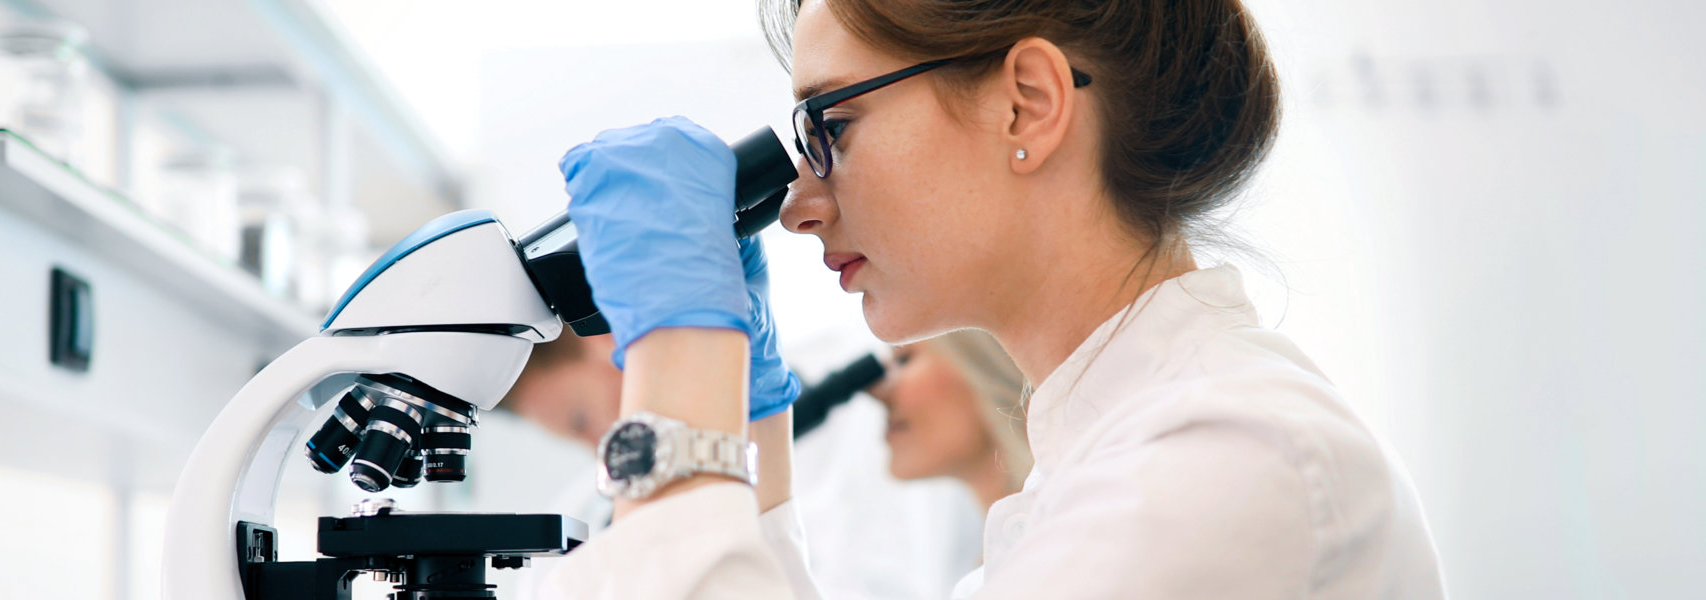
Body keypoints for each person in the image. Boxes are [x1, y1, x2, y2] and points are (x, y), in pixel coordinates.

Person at [539, 0, 1446, 597]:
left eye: (834, 127)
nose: (801, 206)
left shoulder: (1226, 460)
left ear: (1028, 104)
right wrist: (749, 436)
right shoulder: (1103, 466)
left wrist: (677, 348)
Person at [500, 329, 985, 599]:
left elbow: (889, 585)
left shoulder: (865, 419)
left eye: (582, 419)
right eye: (576, 437)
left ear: (615, 341)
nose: (598, 447)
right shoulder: (591, 506)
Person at [866, 329, 1031, 518]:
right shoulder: (1018, 539)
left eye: (903, 360)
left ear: (984, 360)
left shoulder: (1065, 519)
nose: (877, 393)